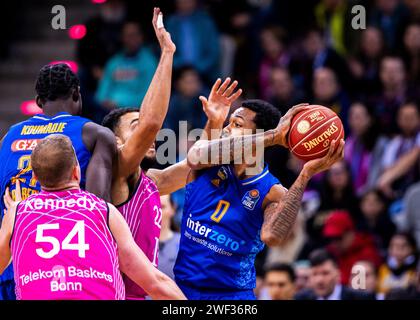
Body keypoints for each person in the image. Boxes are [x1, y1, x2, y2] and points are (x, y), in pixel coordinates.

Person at [101, 8, 243, 299]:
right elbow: (153, 121)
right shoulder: (115, 173)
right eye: (135, 127)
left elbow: (200, 164)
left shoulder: (152, 179)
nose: (148, 133)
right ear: (116, 141)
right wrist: (167, 52)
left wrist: (214, 121)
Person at [173, 100, 345, 300]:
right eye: (228, 123)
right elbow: (194, 156)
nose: (227, 129)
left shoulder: (272, 191)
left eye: (237, 125)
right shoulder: (206, 164)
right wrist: (273, 136)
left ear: (258, 137)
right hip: (181, 289)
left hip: (231, 296)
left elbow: (272, 237)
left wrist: (305, 174)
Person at [0, 135, 186, 300]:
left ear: (34, 176)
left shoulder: (17, 212)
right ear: (76, 171)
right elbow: (155, 282)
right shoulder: (104, 210)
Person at [0, 63, 116, 300]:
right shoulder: (94, 134)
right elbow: (98, 207)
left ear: (39, 101)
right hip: (59, 269)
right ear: (76, 94)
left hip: (10, 263)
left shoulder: (8, 137)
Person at [95, 21, 158, 109]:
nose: (132, 39)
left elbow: (148, 95)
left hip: (136, 110)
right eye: (128, 36)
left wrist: (120, 104)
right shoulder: (114, 62)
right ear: (122, 38)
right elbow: (102, 92)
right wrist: (104, 102)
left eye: (134, 35)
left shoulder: (149, 62)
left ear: (141, 37)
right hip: (109, 110)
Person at [323, 210, 383, 285]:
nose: (334, 243)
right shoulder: (329, 253)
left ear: (350, 233)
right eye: (330, 239)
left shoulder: (367, 252)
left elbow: (361, 287)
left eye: (338, 238)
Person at [295, 249, 375, 300]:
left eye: (325, 273)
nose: (319, 280)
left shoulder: (361, 298)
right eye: (315, 274)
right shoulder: (300, 298)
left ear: (338, 275)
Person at [158, 194, 181, 280]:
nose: (157, 211)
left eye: (162, 207)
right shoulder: (136, 244)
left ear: (173, 208)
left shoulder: (184, 244)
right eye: (153, 207)